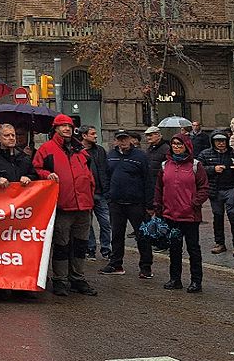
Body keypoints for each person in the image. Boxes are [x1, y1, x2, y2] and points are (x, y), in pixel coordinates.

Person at [32, 114, 97, 297]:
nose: (67, 129)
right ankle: (60, 279)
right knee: (61, 245)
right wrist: (46, 175)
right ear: (56, 129)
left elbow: (90, 173)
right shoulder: (46, 150)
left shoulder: (81, 151)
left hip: (83, 206)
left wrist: (91, 192)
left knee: (80, 245)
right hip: (62, 206)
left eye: (69, 126)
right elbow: (36, 169)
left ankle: (77, 277)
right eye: (63, 126)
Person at [152, 133, 208, 293]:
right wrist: (158, 207)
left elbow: (204, 188)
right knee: (174, 249)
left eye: (179, 144)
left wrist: (194, 203)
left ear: (187, 146)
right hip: (171, 215)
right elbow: (159, 188)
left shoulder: (196, 166)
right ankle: (175, 279)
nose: (176, 147)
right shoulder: (165, 166)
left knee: (193, 250)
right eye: (174, 144)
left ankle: (196, 281)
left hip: (190, 216)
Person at [99, 131, 154, 278]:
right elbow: (105, 176)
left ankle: (146, 267)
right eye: (119, 139)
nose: (122, 142)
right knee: (117, 235)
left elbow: (148, 180)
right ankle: (116, 264)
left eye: (125, 139)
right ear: (115, 141)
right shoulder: (111, 155)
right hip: (116, 203)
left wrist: (149, 204)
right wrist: (108, 194)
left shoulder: (140, 156)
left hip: (136, 203)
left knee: (142, 235)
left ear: (130, 140)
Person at [198, 131, 234, 257]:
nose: (221, 143)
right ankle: (219, 243)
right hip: (215, 190)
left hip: (231, 189)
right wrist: (213, 169)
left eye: (223, 141)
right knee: (217, 217)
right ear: (213, 142)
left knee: (233, 216)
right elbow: (199, 170)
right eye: (218, 141)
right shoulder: (206, 154)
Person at [80, 127, 111, 260]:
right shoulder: (77, 151)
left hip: (101, 192)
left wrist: (107, 189)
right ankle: (90, 248)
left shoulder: (99, 150)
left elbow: (105, 170)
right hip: (86, 193)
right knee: (88, 223)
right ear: (84, 135)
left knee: (105, 222)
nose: (95, 136)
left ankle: (106, 249)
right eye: (92, 134)